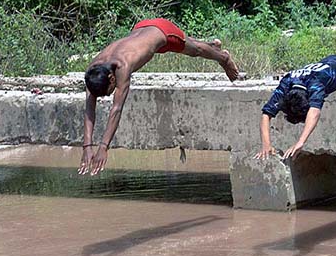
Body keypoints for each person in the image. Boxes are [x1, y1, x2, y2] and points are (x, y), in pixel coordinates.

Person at [79, 18, 239, 175]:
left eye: (109, 91)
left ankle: (223, 57)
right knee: (190, 43)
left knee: (194, 50)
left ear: (111, 78)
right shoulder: (93, 72)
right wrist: (87, 147)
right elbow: (89, 110)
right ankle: (212, 46)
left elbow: (116, 109)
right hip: (143, 28)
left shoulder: (122, 66)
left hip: (162, 31)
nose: (109, 95)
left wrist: (103, 147)